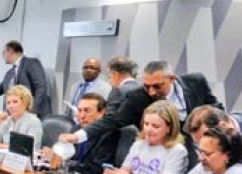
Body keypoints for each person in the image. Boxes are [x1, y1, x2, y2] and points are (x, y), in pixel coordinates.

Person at [59, 60, 221, 157]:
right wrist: (78, 136)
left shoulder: (196, 81)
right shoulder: (137, 97)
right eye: (147, 86)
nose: (151, 92)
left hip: (200, 147)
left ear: (172, 79)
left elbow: (215, 108)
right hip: (161, 153)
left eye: (157, 86)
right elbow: (111, 121)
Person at [103, 100, 188, 174]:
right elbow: (124, 172)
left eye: (155, 126)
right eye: (146, 124)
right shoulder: (139, 143)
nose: (148, 130)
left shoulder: (177, 151)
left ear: (169, 128)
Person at [41, 92, 117, 174]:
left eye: (87, 111)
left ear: (101, 112)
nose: (82, 116)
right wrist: (54, 155)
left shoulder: (109, 134)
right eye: (79, 110)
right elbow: (68, 157)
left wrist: (62, 162)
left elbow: (97, 169)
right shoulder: (76, 129)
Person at [0, 40, 53, 118]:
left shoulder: (31, 63)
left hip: (35, 115)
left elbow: (41, 87)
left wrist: (32, 112)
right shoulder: (9, 73)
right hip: (17, 116)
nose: (2, 55)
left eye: (3, 52)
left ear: (10, 51)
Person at [0, 84, 44, 153]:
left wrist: (1, 146)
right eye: (8, 103)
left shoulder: (34, 122)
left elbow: (27, 149)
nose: (10, 106)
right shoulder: (6, 121)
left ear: (25, 103)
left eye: (15, 102)